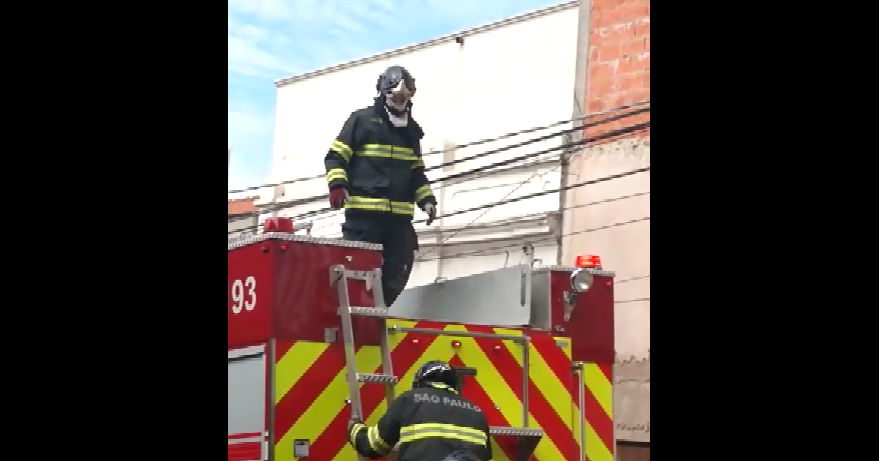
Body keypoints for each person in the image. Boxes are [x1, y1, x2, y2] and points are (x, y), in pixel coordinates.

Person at [324, 65, 437, 307]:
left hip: (399, 221)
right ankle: (357, 310)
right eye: (395, 96)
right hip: (364, 218)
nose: (399, 101)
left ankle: (378, 309)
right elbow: (335, 157)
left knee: (399, 268)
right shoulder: (362, 121)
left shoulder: (411, 133)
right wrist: (337, 185)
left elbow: (416, 173)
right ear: (383, 93)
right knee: (357, 269)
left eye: (404, 97)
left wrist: (427, 200)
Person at [346, 360, 492, 461]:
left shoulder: (409, 400)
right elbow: (484, 455)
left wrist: (354, 426)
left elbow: (373, 445)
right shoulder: (477, 411)